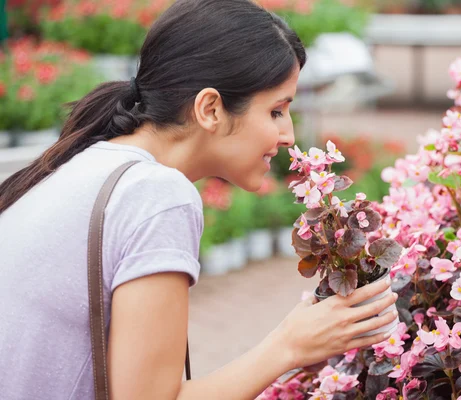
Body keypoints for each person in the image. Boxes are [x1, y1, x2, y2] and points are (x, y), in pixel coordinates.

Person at [0, 0, 398, 399]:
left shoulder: (84, 162)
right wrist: (288, 346)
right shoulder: (157, 195)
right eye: (276, 111)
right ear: (210, 108)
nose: (289, 136)